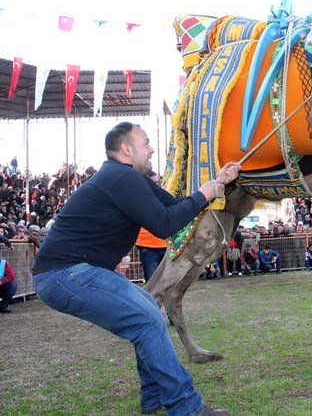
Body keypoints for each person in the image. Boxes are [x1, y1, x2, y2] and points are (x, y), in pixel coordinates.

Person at [31, 122, 240, 416]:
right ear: (127, 149)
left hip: (72, 272)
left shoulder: (129, 179)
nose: (152, 148)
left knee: (149, 314)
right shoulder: (120, 178)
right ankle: (187, 408)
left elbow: (178, 207)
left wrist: (218, 184)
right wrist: (204, 195)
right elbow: (164, 224)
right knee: (147, 320)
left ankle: (153, 398)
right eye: (146, 143)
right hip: (65, 274)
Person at [135, 171, 168, 283]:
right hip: (147, 246)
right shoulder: (138, 198)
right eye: (154, 182)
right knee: (153, 283)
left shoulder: (163, 196)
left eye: (158, 182)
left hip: (165, 245)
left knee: (167, 283)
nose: (157, 185)